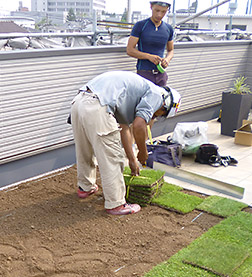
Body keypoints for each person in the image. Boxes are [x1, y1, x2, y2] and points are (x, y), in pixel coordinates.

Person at [70, 71, 181, 215]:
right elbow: (139, 125)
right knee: (112, 157)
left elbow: (124, 129)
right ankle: (116, 204)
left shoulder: (135, 92)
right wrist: (142, 151)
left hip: (79, 102)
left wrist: (132, 159)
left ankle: (85, 187)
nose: (155, 116)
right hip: (97, 105)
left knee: (85, 149)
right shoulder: (157, 95)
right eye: (160, 114)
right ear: (165, 106)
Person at [127, 0, 174, 87]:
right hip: (144, 73)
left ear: (167, 10)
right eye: (157, 10)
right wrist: (149, 57)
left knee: (162, 100)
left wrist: (167, 59)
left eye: (163, 12)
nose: (159, 15)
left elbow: (171, 50)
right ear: (151, 7)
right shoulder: (140, 25)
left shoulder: (168, 28)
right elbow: (130, 50)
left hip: (161, 74)